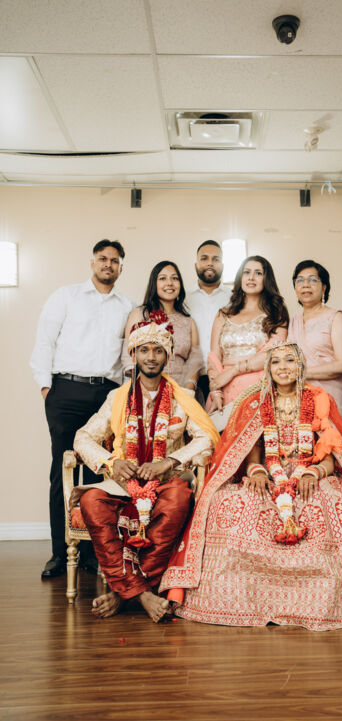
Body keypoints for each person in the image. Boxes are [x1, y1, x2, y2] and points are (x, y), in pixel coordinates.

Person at [160, 343, 342, 631]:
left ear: (300, 366)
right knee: (229, 502)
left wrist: (314, 473)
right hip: (270, 474)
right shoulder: (257, 402)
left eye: (290, 360)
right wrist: (257, 472)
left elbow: (331, 453)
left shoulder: (318, 399)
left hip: (312, 474)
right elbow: (251, 453)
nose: (283, 367)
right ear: (268, 369)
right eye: (276, 362)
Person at [72, 310, 219, 622]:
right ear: (133, 355)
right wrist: (112, 462)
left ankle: (121, 594)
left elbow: (206, 438)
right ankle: (142, 594)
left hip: (166, 482)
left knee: (179, 498)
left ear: (167, 356)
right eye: (144, 350)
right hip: (121, 484)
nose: (151, 357)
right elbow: (83, 438)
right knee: (91, 500)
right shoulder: (117, 397)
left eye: (158, 350)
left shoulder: (183, 398)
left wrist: (169, 461)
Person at [30, 239, 135, 579]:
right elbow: (44, 343)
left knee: (97, 473)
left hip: (106, 395)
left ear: (121, 267)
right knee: (61, 470)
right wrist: (47, 390)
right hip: (66, 390)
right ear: (92, 262)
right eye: (103, 259)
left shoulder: (127, 306)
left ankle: (90, 554)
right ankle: (59, 554)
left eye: (114, 261)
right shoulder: (66, 296)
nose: (108, 264)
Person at [207, 255, 289, 417]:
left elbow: (272, 354)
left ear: (266, 279)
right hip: (222, 389)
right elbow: (214, 356)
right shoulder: (223, 314)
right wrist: (215, 390)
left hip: (258, 389)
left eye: (258, 273)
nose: (251, 277)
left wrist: (233, 371)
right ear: (240, 277)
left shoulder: (276, 314)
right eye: (246, 272)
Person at [288, 260, 342, 424]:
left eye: (312, 280)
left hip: (330, 396)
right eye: (300, 280)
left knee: (330, 439)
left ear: (324, 287)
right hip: (297, 399)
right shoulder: (291, 322)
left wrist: (300, 373)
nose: (305, 285)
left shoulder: (335, 317)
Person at [122, 261, 202, 390]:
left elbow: (194, 361)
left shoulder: (189, 322)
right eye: (163, 278)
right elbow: (128, 355)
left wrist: (188, 389)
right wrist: (144, 389)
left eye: (174, 278)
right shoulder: (140, 314)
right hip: (145, 389)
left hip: (181, 390)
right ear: (154, 284)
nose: (169, 283)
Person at [185, 241, 230, 403]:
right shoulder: (183, 298)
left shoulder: (235, 298)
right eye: (204, 258)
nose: (210, 263)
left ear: (223, 266)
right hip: (189, 378)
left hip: (225, 377)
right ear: (196, 265)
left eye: (216, 259)